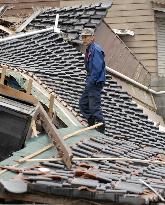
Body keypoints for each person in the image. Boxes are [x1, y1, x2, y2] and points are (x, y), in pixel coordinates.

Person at [79, 28, 106, 134]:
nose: (84, 39)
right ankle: (91, 124)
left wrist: (90, 83)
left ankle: (100, 130)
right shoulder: (90, 49)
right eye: (83, 37)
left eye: (86, 37)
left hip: (95, 83)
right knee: (83, 104)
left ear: (92, 37)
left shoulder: (96, 50)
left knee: (94, 107)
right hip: (91, 81)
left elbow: (96, 69)